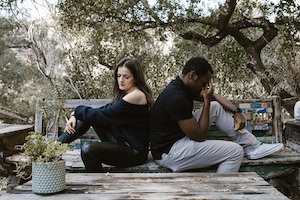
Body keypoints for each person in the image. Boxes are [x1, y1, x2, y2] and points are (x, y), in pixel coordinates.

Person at [149, 56, 284, 173]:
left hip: (178, 140)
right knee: (235, 152)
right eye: (203, 83)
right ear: (192, 75)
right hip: (169, 153)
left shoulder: (182, 86)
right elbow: (199, 136)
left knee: (215, 107)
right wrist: (206, 100)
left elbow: (214, 98)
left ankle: (253, 147)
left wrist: (236, 112)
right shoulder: (176, 98)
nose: (204, 88)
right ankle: (220, 193)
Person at [58, 58, 153, 171]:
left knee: (88, 149)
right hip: (121, 142)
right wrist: (74, 115)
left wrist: (77, 111)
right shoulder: (126, 94)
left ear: (136, 78)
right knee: (88, 118)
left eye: (126, 77)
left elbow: (105, 113)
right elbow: (100, 112)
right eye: (118, 76)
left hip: (134, 152)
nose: (121, 80)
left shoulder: (136, 95)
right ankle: (55, 147)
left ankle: (98, 183)